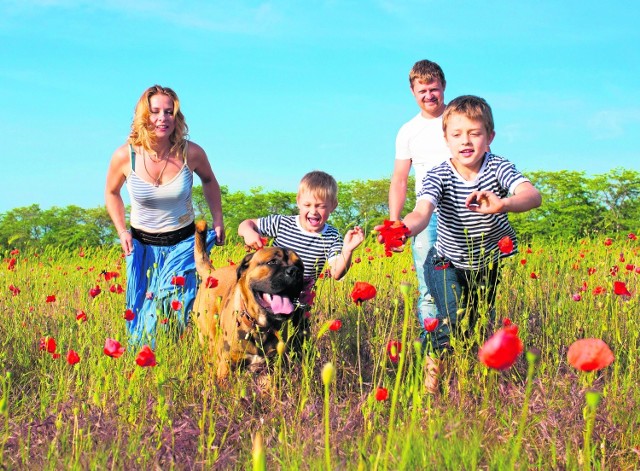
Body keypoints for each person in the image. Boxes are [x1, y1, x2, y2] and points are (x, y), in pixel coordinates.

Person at [382, 95, 542, 393]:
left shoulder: (499, 167)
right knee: (450, 322)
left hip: (486, 265)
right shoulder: (438, 174)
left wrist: (503, 204)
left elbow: (533, 196)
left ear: (490, 136)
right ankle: (431, 387)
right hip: (446, 263)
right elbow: (422, 211)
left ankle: (474, 387)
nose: (465, 141)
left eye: (474, 133)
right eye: (456, 134)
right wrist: (404, 228)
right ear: (446, 138)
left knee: (477, 325)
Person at [105, 85, 225, 347]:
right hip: (142, 246)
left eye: (169, 112)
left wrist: (218, 219)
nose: (163, 118)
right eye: (155, 111)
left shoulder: (191, 153)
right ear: (143, 116)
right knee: (140, 316)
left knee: (174, 303)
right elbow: (111, 193)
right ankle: (150, 362)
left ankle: (176, 352)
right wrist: (122, 231)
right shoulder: (124, 156)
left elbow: (209, 181)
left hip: (183, 243)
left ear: (177, 117)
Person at [388, 59, 452, 342]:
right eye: (422, 90)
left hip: (465, 211)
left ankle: (469, 352)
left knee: (471, 285)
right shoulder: (408, 131)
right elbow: (400, 179)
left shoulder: (460, 117)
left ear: (444, 87)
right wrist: (394, 222)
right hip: (427, 215)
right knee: (428, 288)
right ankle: (432, 355)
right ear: (413, 92)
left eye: (434, 89)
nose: (429, 96)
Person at [238, 170, 364, 297]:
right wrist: (249, 232)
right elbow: (245, 224)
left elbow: (337, 273)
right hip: (272, 289)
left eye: (321, 206)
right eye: (307, 205)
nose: (313, 211)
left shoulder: (332, 236)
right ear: (298, 201)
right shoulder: (282, 223)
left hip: (300, 296)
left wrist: (347, 250)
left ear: (333, 206)